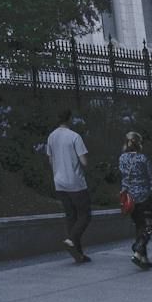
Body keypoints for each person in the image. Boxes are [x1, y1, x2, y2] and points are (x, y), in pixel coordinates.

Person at [46, 106, 92, 264]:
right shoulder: (74, 136)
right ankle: (71, 240)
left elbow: (50, 159)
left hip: (59, 181)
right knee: (85, 215)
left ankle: (78, 254)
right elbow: (84, 162)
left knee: (71, 216)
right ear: (70, 119)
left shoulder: (51, 137)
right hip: (75, 182)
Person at [120, 129, 152, 269]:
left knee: (139, 226)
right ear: (139, 143)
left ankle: (143, 259)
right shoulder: (143, 158)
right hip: (144, 197)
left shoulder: (122, 158)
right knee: (148, 227)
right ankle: (138, 250)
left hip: (130, 198)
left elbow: (124, 178)